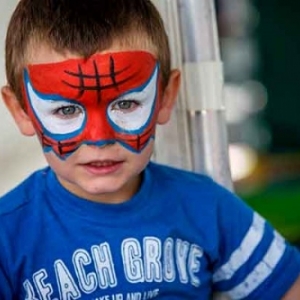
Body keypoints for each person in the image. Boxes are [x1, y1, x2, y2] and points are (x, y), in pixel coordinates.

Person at [0, 0, 299, 298]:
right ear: (21, 111)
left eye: (127, 104)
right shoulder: (8, 236)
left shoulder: (205, 207)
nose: (100, 138)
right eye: (66, 111)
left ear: (166, 97)